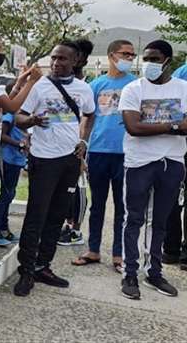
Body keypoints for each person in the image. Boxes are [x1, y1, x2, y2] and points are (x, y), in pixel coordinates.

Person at [12, 41, 96, 297]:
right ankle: (26, 270)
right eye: (54, 58)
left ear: (76, 61)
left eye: (62, 59)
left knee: (57, 215)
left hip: (70, 160)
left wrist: (83, 141)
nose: (57, 63)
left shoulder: (83, 89)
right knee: (36, 216)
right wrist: (32, 120)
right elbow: (18, 117)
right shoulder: (39, 86)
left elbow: (90, 114)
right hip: (43, 159)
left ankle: (43, 266)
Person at [118, 40, 187, 299]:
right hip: (139, 162)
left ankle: (153, 272)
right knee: (133, 219)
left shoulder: (183, 88)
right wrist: (174, 125)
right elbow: (134, 127)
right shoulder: (133, 89)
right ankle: (129, 273)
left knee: (159, 221)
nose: (149, 64)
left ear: (168, 61)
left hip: (172, 161)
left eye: (155, 59)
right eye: (146, 59)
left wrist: (153, 125)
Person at [71, 40, 136, 273]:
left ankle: (119, 254)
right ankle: (93, 249)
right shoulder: (96, 85)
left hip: (126, 153)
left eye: (132, 55)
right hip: (98, 152)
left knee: (122, 207)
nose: (129, 58)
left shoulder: (135, 85)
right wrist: (82, 146)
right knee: (97, 204)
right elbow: (87, 119)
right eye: (125, 54)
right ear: (111, 55)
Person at [58, 37, 96, 246]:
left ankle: (76, 230)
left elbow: (89, 117)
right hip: (58, 147)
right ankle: (66, 224)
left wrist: (83, 144)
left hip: (79, 146)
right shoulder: (57, 83)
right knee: (64, 189)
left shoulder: (87, 86)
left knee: (79, 187)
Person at [0, 81, 29, 246]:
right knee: (5, 194)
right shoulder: (9, 114)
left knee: (10, 194)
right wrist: (19, 144)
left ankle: (4, 229)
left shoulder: (20, 112)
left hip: (16, 160)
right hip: (7, 158)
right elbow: (2, 136)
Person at [165, 60, 187, 270]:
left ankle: (172, 250)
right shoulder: (181, 75)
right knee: (173, 197)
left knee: (173, 197)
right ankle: (173, 250)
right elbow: (173, 113)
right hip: (179, 144)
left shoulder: (179, 74)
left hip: (177, 144)